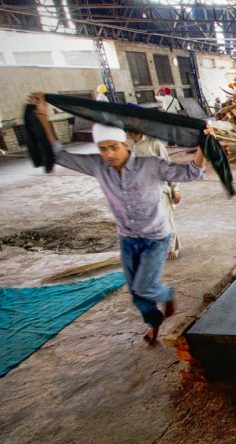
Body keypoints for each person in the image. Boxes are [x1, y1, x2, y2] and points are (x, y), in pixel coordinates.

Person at [27, 92, 209, 345]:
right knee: (136, 294)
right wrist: (43, 116)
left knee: (144, 287)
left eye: (113, 147)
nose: (109, 154)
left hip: (155, 237)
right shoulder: (97, 166)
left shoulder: (151, 165)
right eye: (103, 149)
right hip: (127, 238)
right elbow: (58, 153)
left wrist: (205, 144)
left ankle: (166, 294)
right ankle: (154, 324)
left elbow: (193, 172)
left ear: (125, 145)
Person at [128, 131, 182, 260]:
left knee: (165, 219)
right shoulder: (128, 146)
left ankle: (172, 247)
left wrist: (175, 188)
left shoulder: (154, 144)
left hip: (159, 189)